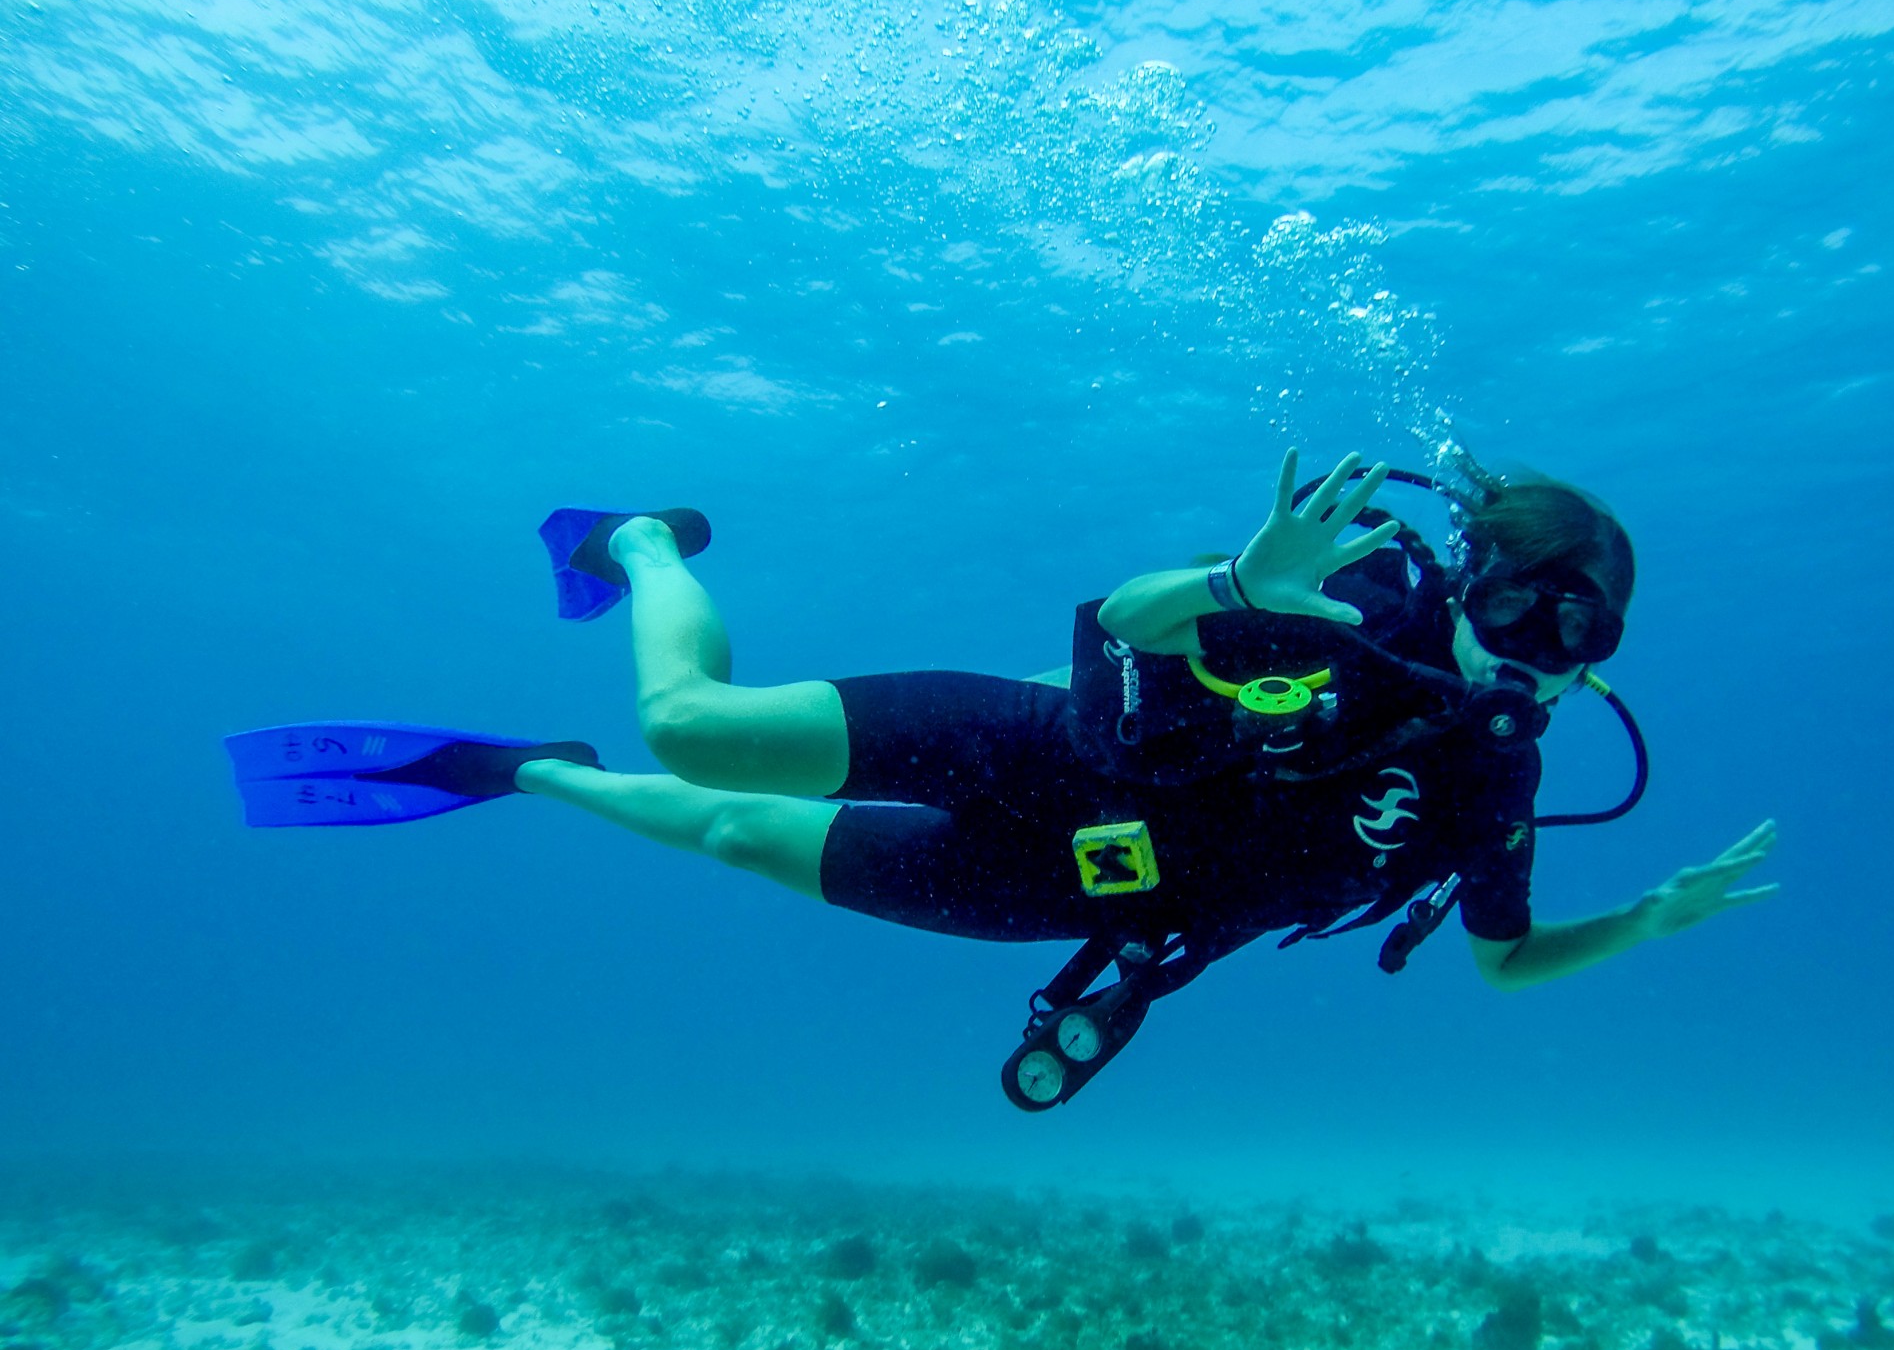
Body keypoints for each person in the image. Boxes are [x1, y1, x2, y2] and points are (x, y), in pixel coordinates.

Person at [226, 449, 1775, 1097]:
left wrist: (1645, 919)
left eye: (1585, 627)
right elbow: (1121, 620)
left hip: (1058, 888)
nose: (1541, 647)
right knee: (694, 727)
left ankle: (527, 774)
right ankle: (642, 542)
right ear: (1472, 582)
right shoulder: (1360, 598)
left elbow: (1503, 963)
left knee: (728, 833)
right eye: (1524, 604)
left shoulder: (1494, 781)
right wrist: (1243, 575)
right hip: (1038, 742)